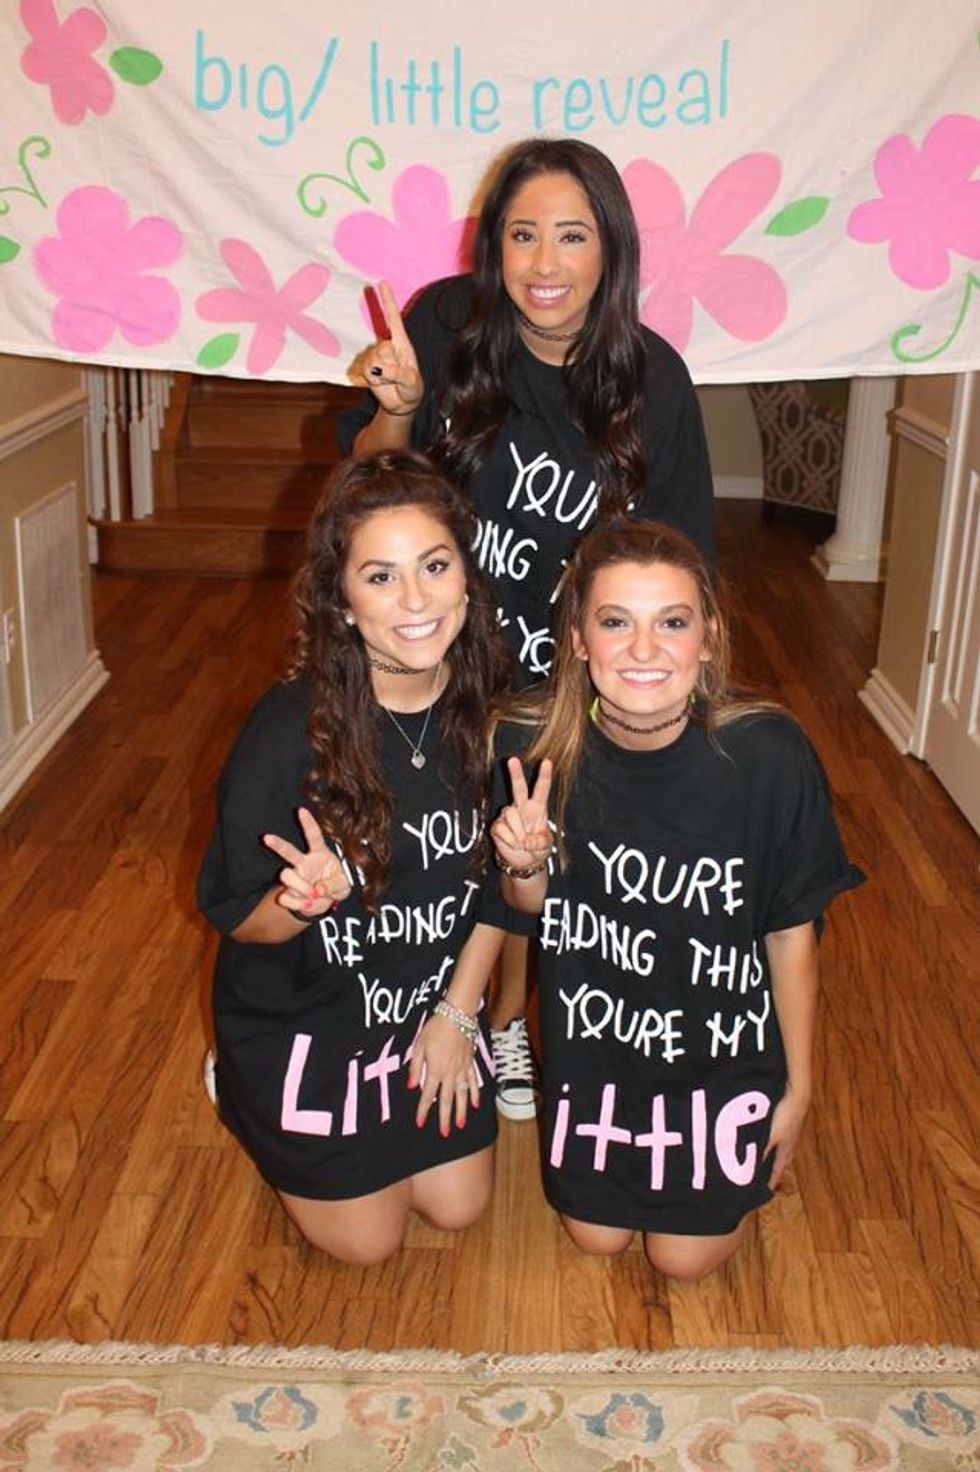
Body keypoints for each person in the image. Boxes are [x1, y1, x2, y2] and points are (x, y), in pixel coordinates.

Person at [339, 136, 717, 1119]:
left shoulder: (655, 381)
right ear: (493, 246)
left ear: (610, 250)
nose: (544, 263)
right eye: (522, 235)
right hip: (436, 653)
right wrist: (399, 408)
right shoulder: (444, 326)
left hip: (567, 681)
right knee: (403, 835)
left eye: (571, 236)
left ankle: (504, 1015)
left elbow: (685, 563)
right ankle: (346, 1011)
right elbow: (369, 484)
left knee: (530, 844)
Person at [489, 519, 864, 1280]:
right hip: (598, 1055)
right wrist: (520, 863)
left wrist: (799, 1088)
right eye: (615, 622)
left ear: (709, 638)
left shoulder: (768, 756)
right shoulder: (529, 747)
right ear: (578, 640)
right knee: (596, 1237)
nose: (643, 650)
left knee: (683, 1259)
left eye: (672, 622)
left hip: (720, 1057)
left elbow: (792, 932)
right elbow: (525, 908)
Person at [198, 451, 528, 1266]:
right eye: (381, 577)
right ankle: (237, 1081)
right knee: (367, 1244)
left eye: (435, 567)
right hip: (308, 1015)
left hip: (426, 1004)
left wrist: (459, 1014)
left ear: (466, 575)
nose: (416, 601)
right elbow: (240, 921)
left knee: (457, 1207)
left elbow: (499, 887)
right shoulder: (287, 733)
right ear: (342, 601)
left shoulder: (497, 711)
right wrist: (297, 905)